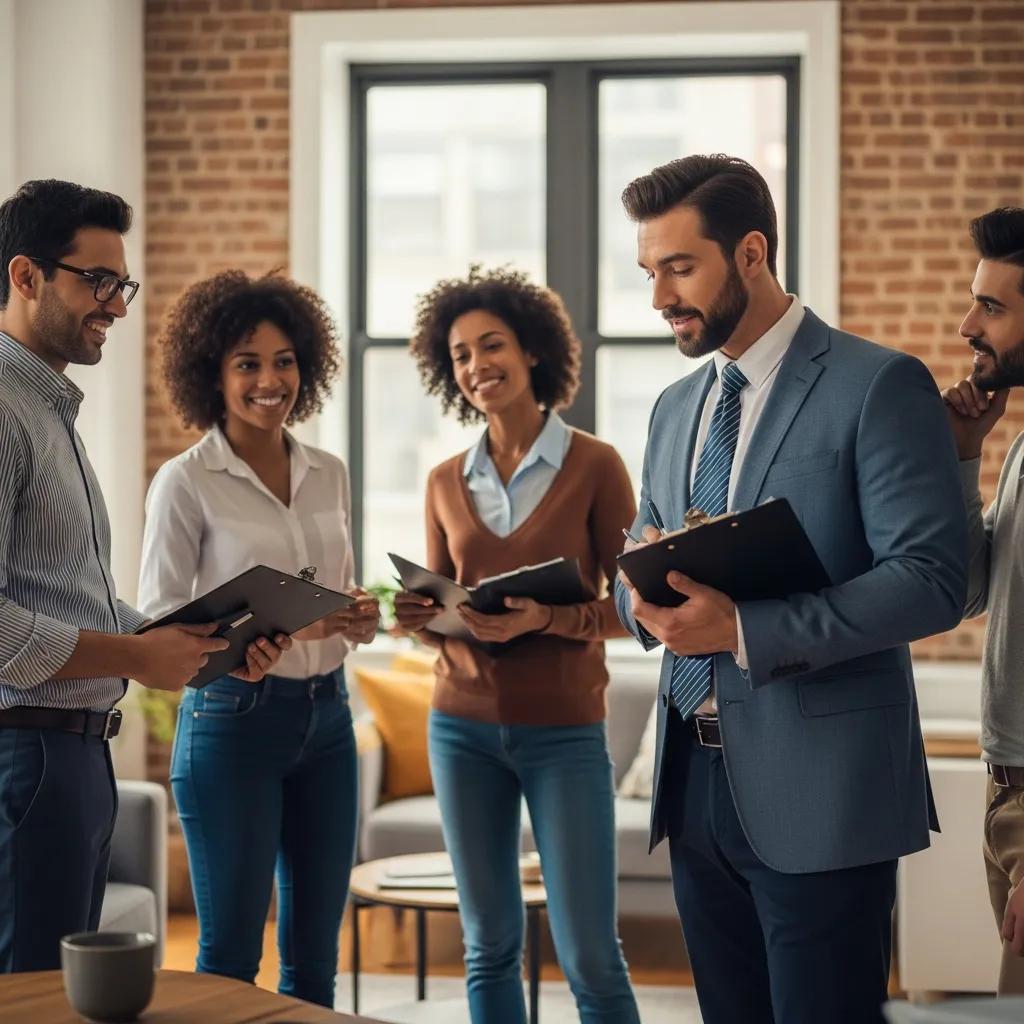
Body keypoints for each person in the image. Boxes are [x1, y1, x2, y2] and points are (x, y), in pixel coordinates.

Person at [613, 154, 968, 1024]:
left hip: (826, 791)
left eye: (679, 267)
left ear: (751, 253)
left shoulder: (877, 384)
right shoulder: (672, 406)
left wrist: (740, 629)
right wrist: (643, 600)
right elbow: (634, 554)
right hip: (692, 786)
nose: (660, 297)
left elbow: (931, 582)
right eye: (648, 272)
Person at [0, 180, 281, 973]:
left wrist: (189, 642)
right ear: (26, 277)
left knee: (65, 996)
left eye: (120, 285)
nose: (118, 306)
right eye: (98, 281)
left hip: (75, 760)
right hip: (30, 757)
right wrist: (135, 658)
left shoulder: (49, 410)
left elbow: (67, 591)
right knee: (34, 1001)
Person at [394, 267, 641, 1024]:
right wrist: (418, 612)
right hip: (459, 727)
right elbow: (441, 600)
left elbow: (636, 608)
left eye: (490, 345)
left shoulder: (596, 465)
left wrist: (547, 621)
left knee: (590, 955)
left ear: (532, 350)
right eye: (461, 355)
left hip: (565, 732)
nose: (476, 366)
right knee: (488, 945)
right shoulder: (443, 481)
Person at [138, 270, 378, 1008]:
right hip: (232, 729)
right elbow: (159, 625)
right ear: (213, 373)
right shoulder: (186, 482)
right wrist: (237, 653)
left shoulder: (329, 472)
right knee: (231, 958)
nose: (270, 380)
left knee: (315, 961)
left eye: (283, 361)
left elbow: (333, 589)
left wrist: (357, 615)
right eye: (247, 363)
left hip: (330, 721)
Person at [941, 206, 1024, 996]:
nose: (969, 324)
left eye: (993, 306)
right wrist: (967, 455)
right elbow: (967, 592)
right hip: (1007, 782)